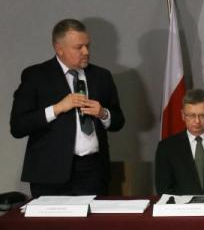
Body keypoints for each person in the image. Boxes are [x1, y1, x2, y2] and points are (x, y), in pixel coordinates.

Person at [10, 19, 125, 197]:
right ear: (59, 48)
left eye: (88, 46)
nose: (86, 52)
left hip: (93, 172)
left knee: (92, 225)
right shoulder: (35, 76)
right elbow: (18, 126)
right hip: (50, 174)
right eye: (79, 47)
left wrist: (103, 113)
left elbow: (118, 121)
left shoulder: (101, 76)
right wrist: (57, 108)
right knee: (54, 226)